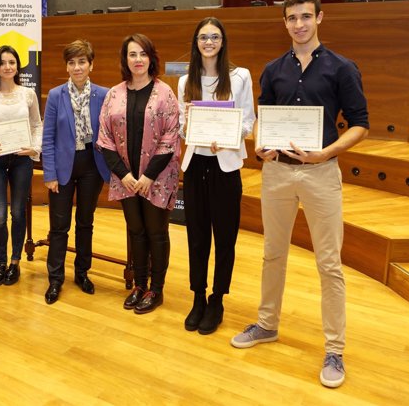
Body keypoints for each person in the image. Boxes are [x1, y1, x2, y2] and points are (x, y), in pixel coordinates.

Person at [230, 0, 369, 389]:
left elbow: (360, 123)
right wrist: (261, 143)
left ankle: (335, 350)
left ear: (320, 18)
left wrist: (325, 152)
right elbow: (264, 119)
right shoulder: (274, 69)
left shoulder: (343, 68)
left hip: (321, 173)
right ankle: (267, 324)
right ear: (285, 22)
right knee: (273, 254)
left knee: (329, 264)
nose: (299, 24)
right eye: (292, 18)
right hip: (277, 173)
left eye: (306, 16)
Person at [178, 17, 256, 335]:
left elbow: (248, 121)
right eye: (203, 37)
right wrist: (187, 124)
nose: (208, 42)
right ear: (196, 42)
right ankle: (198, 297)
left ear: (223, 41)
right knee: (196, 237)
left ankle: (217, 300)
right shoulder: (186, 81)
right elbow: (184, 128)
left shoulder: (240, 77)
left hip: (226, 167)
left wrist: (226, 136)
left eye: (214, 36)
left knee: (225, 239)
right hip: (196, 164)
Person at [97, 33, 180, 314]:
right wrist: (125, 176)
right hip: (126, 180)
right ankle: (140, 285)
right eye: (132, 54)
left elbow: (170, 137)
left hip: (156, 179)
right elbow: (104, 139)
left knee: (156, 232)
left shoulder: (165, 93)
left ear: (151, 57)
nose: (138, 60)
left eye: (143, 54)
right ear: (125, 59)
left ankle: (156, 288)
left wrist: (147, 177)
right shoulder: (114, 94)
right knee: (136, 231)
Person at [41, 40, 111, 305]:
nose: (77, 67)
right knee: (59, 227)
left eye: (82, 61)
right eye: (72, 62)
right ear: (66, 66)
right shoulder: (56, 95)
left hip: (92, 165)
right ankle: (55, 278)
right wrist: (49, 173)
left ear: (91, 65)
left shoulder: (104, 95)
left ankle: (82, 272)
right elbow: (48, 138)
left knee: (85, 222)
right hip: (62, 168)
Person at [0, 45, 42, 287]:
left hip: (21, 159)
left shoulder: (28, 94)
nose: (7, 66)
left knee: (18, 212)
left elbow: (37, 124)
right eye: (2, 62)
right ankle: (0, 263)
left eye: (11, 62)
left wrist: (35, 149)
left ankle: (15, 263)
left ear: (17, 66)